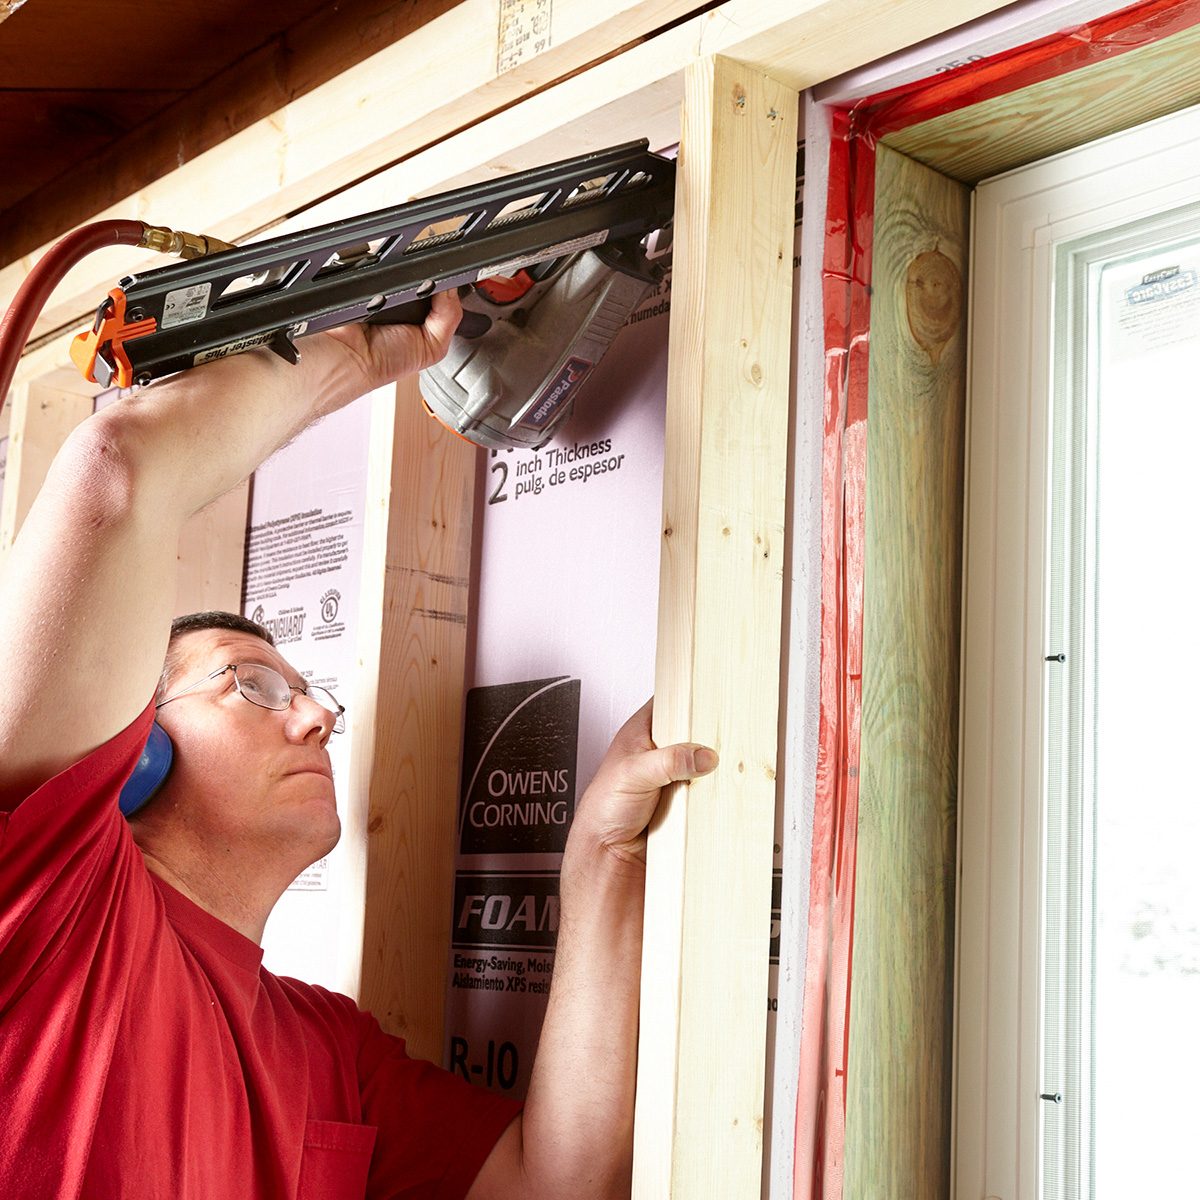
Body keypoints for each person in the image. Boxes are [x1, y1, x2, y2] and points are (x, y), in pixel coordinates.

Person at [0, 290, 717, 1199]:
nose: (315, 718)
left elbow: (556, 1181)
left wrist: (603, 858)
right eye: (249, 684)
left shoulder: (326, 1049)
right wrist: (368, 354)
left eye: (309, 694)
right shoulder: (51, 906)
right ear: (136, 751)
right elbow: (114, 467)